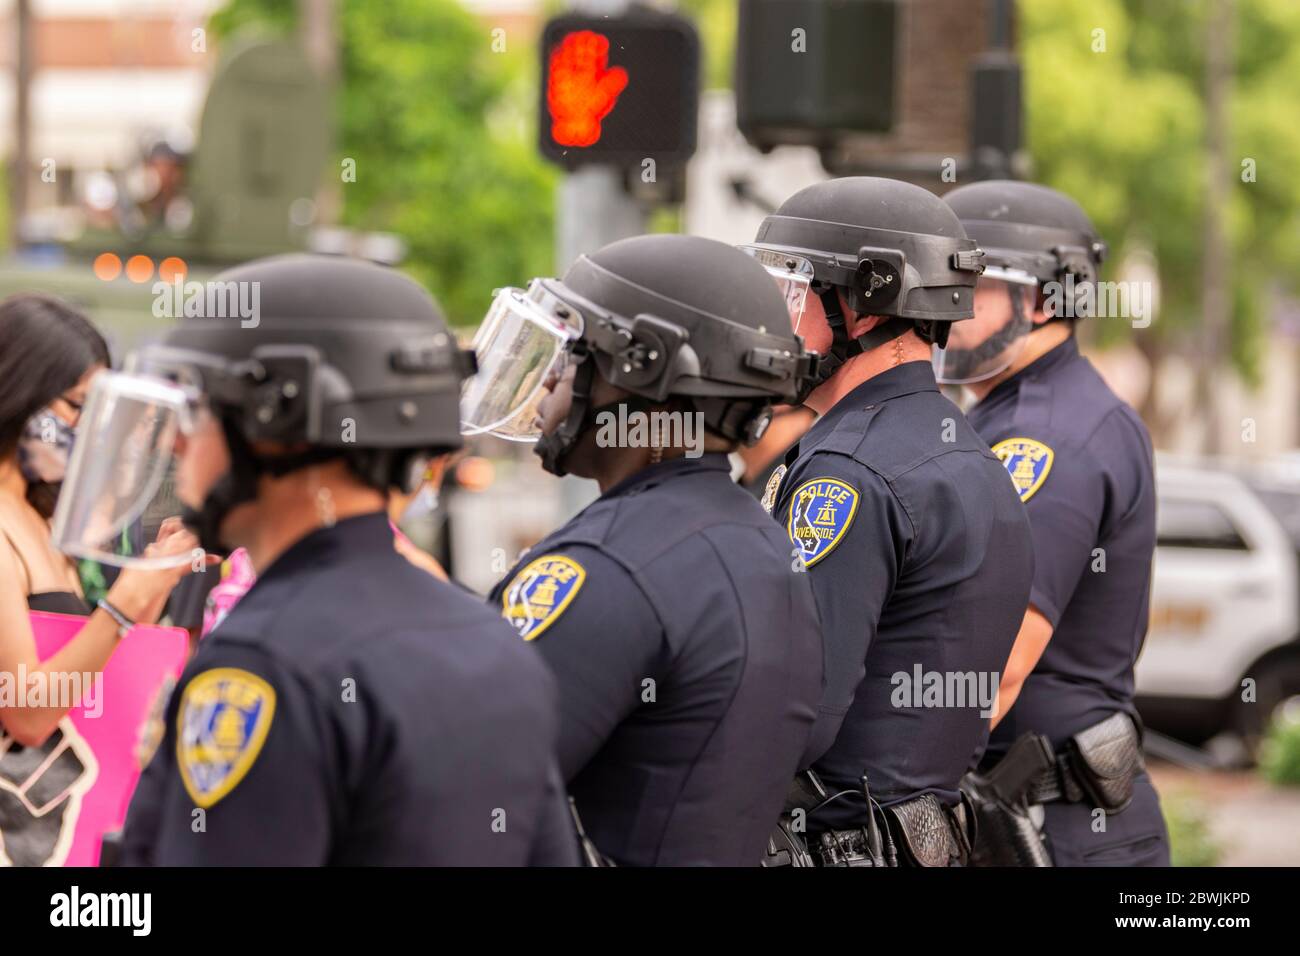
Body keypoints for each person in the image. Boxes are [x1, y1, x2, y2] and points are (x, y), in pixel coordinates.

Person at [64, 253, 577, 865]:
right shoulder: (491, 642)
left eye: (196, 408)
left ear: (275, 426)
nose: (176, 440)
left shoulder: (263, 662)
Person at [463, 234, 824, 865]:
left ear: (640, 369)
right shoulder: (766, 544)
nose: (551, 376)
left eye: (572, 351)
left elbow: (464, 800)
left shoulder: (602, 568)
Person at [741, 177, 1034, 866]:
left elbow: (795, 712)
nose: (771, 318)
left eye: (791, 291)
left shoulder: (849, 472)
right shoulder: (966, 450)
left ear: (862, 309)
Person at [941, 180, 1168, 867]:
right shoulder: (1010, 413)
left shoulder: (1046, 438)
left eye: (969, 288)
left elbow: (994, 663)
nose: (942, 309)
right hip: (1041, 821)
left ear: (1041, 298)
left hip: (1059, 829)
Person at [0, 294, 198, 749]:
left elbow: (81, 667)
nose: (90, 430)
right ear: (17, 394)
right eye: (75, 407)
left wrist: (152, 582)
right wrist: (126, 600)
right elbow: (27, 716)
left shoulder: (38, 514)